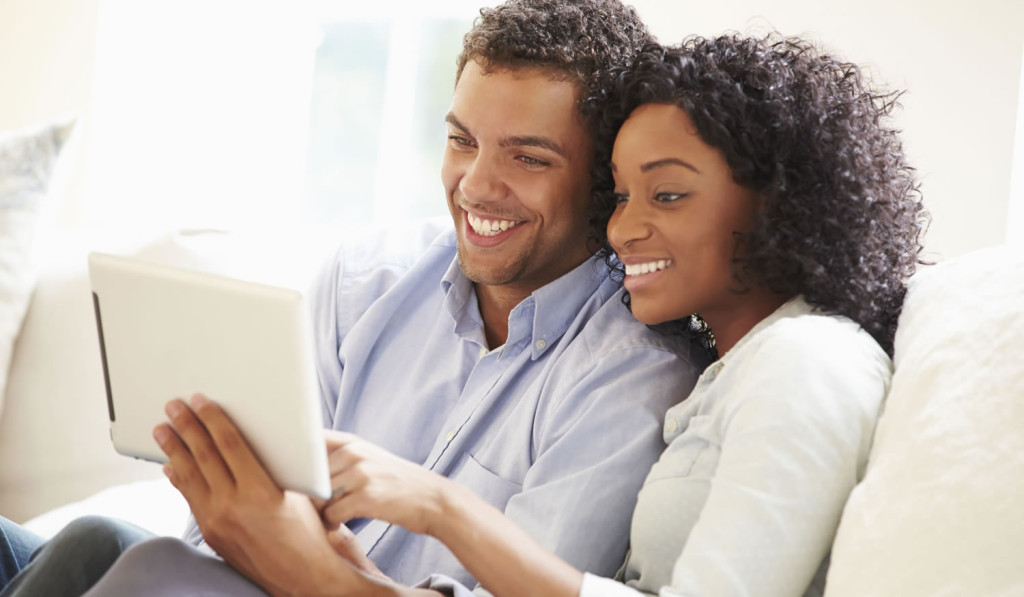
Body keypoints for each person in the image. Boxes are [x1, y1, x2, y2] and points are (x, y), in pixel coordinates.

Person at [0, 1, 709, 596]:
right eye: (462, 140)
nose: (475, 184)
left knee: (122, 554)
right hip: (233, 580)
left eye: (528, 157)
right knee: (68, 544)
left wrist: (314, 565)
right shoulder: (366, 277)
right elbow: (238, 531)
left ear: (603, 178)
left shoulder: (633, 372)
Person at [200, 33, 925, 596]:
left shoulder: (807, 361)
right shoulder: (733, 369)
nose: (621, 229)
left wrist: (435, 509)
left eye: (667, 195)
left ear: (779, 202)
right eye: (621, 195)